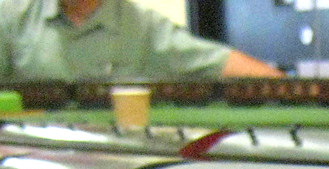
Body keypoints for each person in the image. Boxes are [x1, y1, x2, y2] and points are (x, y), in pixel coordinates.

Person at [0, 0, 284, 80]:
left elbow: (214, 61)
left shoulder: (141, 25)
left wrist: (295, 92)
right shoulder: (11, 17)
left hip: (110, 166)